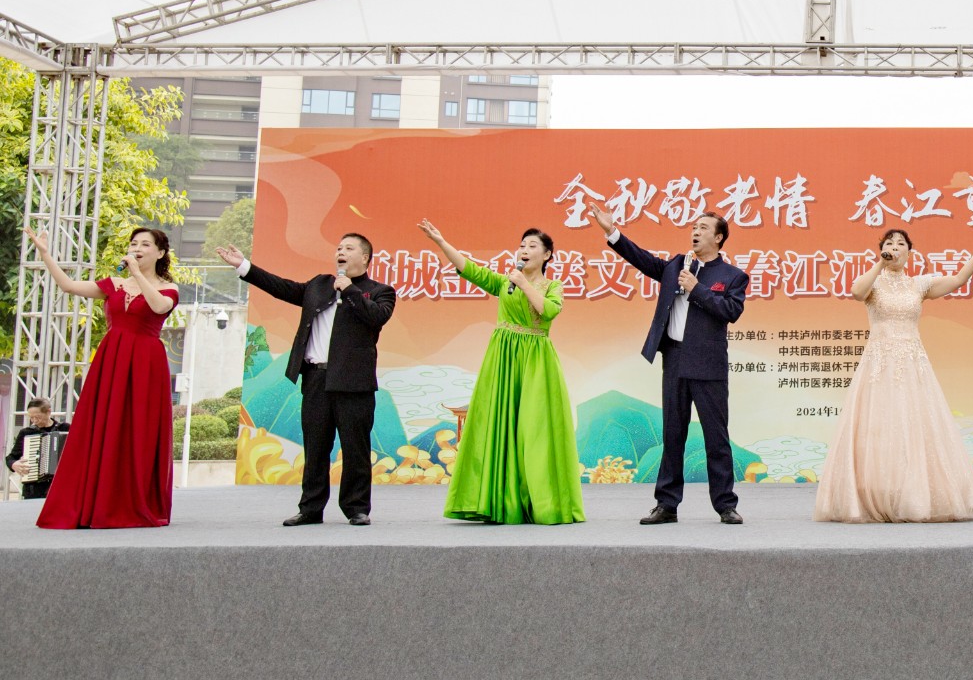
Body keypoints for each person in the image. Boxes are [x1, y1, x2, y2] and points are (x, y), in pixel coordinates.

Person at [814, 226, 973, 523]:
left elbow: (959, 279)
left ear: (910, 252)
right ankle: (876, 493)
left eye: (901, 244)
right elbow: (857, 292)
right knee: (878, 427)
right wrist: (880, 263)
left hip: (912, 364)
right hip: (879, 365)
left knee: (913, 427)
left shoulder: (918, 285)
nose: (895, 247)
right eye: (889, 243)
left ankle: (912, 496)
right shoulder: (873, 282)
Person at [587, 203, 749, 525]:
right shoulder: (676, 265)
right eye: (694, 227)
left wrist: (696, 289)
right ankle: (666, 505)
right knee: (672, 434)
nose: (695, 232)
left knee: (716, 437)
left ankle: (725, 505)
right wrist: (612, 232)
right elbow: (642, 259)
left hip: (708, 365)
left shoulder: (733, 276)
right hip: (674, 359)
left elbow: (730, 311)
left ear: (718, 238)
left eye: (703, 228)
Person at [218, 235, 396, 526]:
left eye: (349, 248)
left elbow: (377, 318)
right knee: (315, 448)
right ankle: (311, 508)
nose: (341, 252)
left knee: (356, 449)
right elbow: (281, 287)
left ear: (365, 258)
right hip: (315, 378)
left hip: (354, 383)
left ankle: (356, 508)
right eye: (339, 248)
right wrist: (244, 266)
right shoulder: (319, 285)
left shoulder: (380, 291)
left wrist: (349, 290)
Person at [418, 220, 584, 525]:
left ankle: (537, 500)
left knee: (534, 429)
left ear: (547, 255)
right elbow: (470, 269)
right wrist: (441, 242)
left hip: (536, 361)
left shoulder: (552, 286)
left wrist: (523, 283)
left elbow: (548, 310)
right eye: (521, 245)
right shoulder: (504, 281)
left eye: (532, 246)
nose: (524, 250)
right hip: (503, 357)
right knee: (499, 425)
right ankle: (498, 501)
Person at [28, 227, 178, 529]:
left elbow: (159, 306)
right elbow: (68, 286)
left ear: (160, 253)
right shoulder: (114, 284)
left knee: (139, 429)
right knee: (101, 427)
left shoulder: (168, 288)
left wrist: (136, 274)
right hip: (112, 359)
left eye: (145, 244)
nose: (137, 248)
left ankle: (133, 502)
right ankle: (94, 501)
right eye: (134, 243)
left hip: (146, 364)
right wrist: (45, 254)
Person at [6, 398, 70, 500]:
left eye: (37, 417)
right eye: (31, 418)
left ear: (48, 412)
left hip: (61, 486)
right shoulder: (26, 432)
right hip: (34, 489)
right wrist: (13, 464)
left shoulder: (65, 428)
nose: (34, 421)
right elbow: (11, 457)